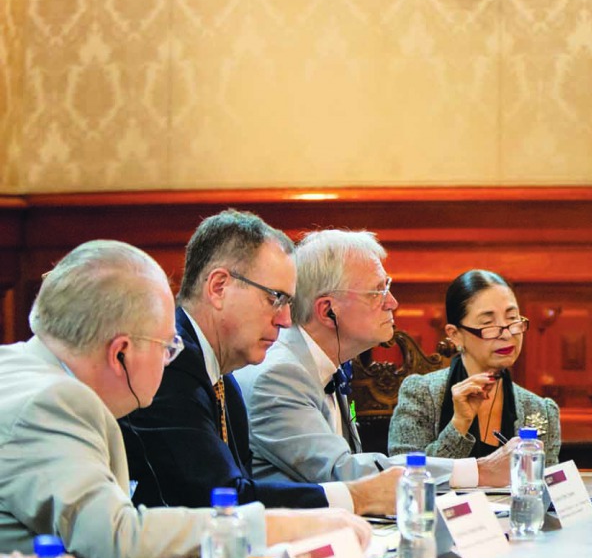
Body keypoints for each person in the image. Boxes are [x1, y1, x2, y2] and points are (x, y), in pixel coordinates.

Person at [0, 240, 369, 558]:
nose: (169, 359)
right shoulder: (55, 401)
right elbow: (115, 538)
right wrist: (281, 526)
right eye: (166, 346)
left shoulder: (19, 367)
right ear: (120, 353)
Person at [120, 209, 399, 515]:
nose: (285, 319)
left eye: (288, 302)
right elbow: (223, 500)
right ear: (218, 287)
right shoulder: (168, 364)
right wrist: (356, 497)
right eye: (275, 298)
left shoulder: (222, 376)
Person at [236, 230, 513, 486]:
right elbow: (344, 473)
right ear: (327, 310)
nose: (392, 302)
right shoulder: (278, 376)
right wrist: (480, 470)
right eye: (377, 292)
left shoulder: (330, 361)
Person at [388, 269, 561, 465]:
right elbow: (405, 474)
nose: (506, 334)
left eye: (512, 319)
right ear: (455, 334)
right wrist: (459, 424)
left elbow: (546, 486)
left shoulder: (540, 409)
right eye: (488, 323)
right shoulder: (421, 394)